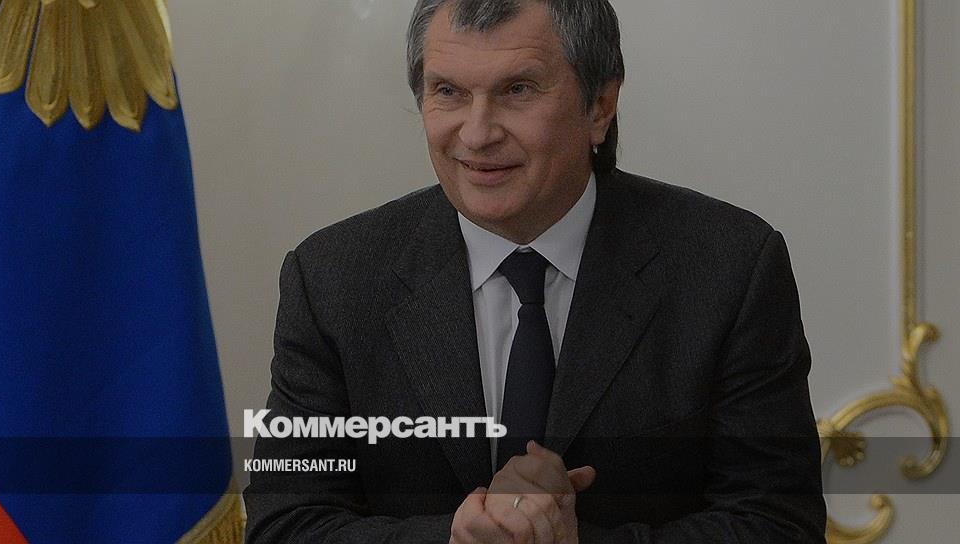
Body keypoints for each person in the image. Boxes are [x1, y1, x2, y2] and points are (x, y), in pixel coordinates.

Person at [244, 0, 826, 542]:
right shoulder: (332, 279)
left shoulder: (729, 267)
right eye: (448, 92)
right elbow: (285, 523)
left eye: (517, 90)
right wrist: (453, 537)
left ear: (599, 106)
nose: (477, 134)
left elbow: (779, 522)